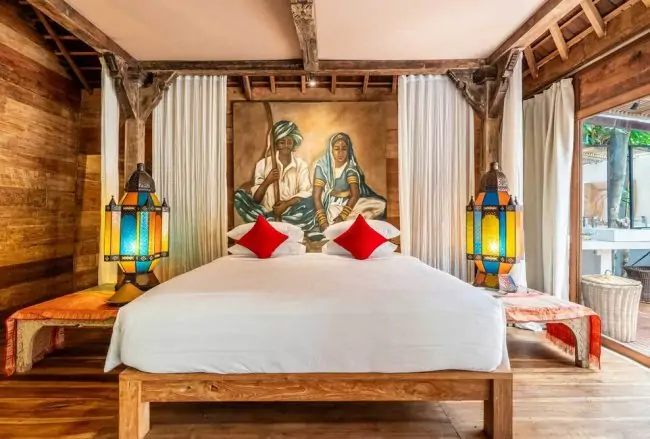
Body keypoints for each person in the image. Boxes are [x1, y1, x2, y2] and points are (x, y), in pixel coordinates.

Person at [234, 120, 316, 232]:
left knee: (313, 202)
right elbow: (256, 200)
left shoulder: (301, 165)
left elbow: (306, 192)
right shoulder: (262, 164)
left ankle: (281, 223)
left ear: (294, 143)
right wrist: (267, 181)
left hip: (293, 213)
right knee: (239, 197)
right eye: (282, 142)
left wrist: (286, 204)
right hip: (266, 212)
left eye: (289, 142)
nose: (286, 146)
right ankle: (270, 221)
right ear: (276, 144)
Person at [312, 132, 386, 231]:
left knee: (380, 205)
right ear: (331, 149)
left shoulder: (351, 168)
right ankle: (346, 224)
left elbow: (355, 195)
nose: (340, 153)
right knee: (330, 217)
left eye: (344, 149)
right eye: (337, 149)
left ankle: (346, 224)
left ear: (348, 150)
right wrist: (322, 221)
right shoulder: (322, 166)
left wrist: (342, 216)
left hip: (349, 204)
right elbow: (316, 196)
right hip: (329, 203)